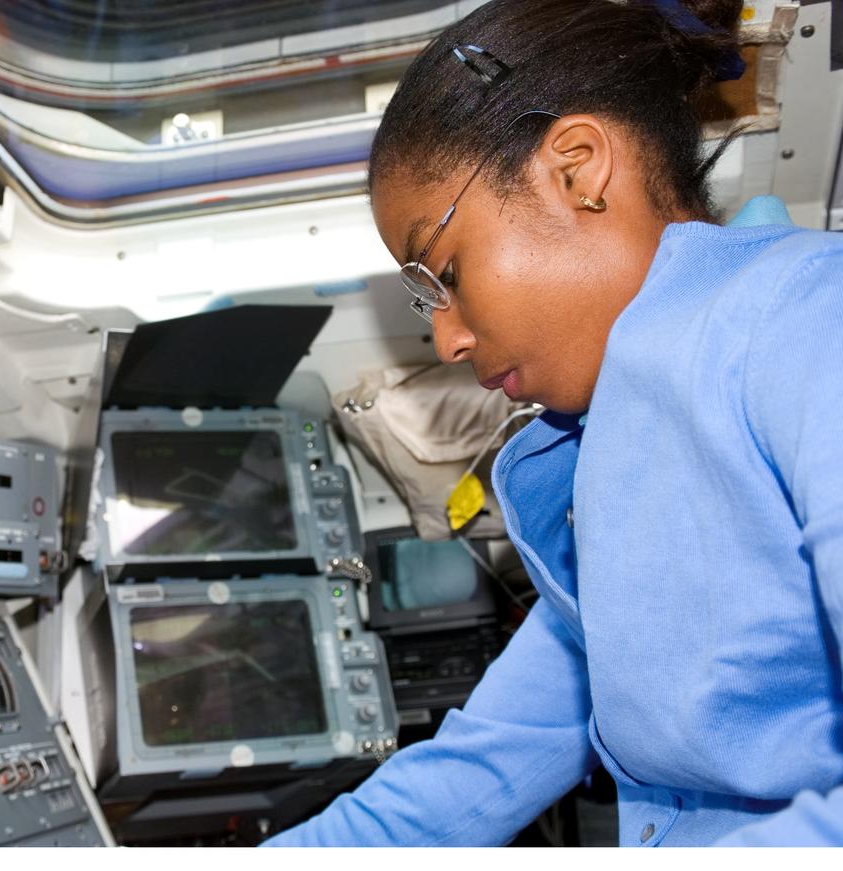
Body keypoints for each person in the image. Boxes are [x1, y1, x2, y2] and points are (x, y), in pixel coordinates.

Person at [265, 0, 843, 848]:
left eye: (446, 273)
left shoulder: (805, 323)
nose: (448, 336)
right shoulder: (609, 459)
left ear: (577, 170)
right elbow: (477, 772)